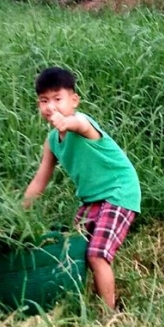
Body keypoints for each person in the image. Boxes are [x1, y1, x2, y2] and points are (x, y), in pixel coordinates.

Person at [24, 66, 141, 310]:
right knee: (75, 250)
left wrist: (64, 121)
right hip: (91, 200)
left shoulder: (82, 122)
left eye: (58, 99)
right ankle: (84, 299)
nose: (50, 106)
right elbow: (39, 181)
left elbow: (76, 124)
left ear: (74, 100)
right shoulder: (52, 142)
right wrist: (20, 210)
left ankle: (109, 316)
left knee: (96, 255)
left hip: (119, 191)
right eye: (43, 101)